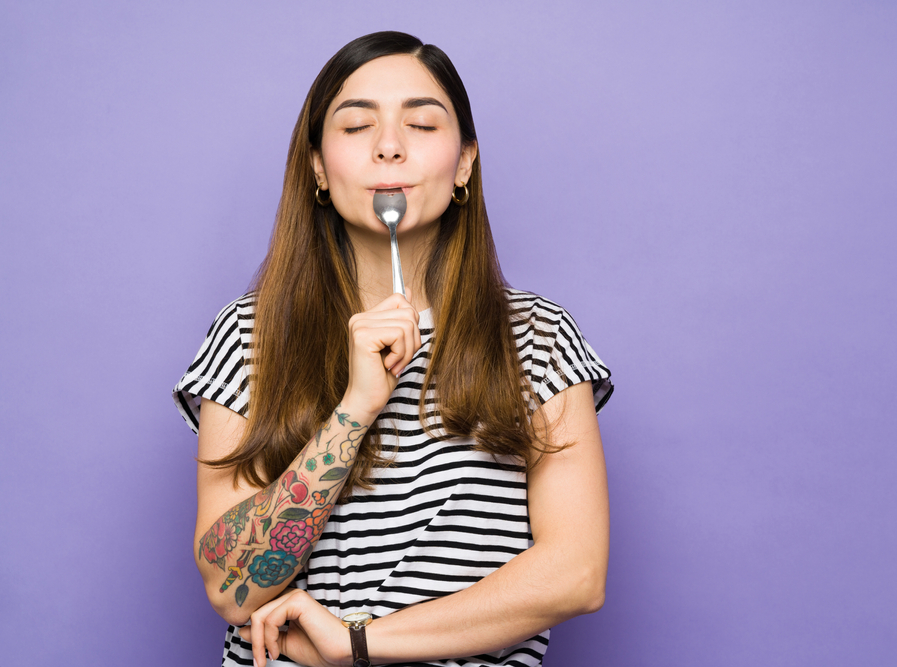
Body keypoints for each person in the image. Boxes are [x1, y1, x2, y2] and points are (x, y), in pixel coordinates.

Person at [173, 31, 613, 667]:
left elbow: (576, 573)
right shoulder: (249, 338)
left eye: (422, 124)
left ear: (464, 164)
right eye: (356, 127)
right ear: (318, 169)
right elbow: (230, 585)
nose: (389, 146)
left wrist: (356, 645)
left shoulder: (539, 339)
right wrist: (353, 410)